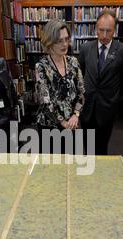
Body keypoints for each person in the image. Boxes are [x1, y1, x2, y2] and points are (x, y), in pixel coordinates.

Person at [79, 10, 123, 155]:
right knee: (87, 147)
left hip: (108, 108)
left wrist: (115, 100)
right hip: (87, 107)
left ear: (114, 30)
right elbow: (81, 75)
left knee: (102, 148)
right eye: (101, 30)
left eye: (108, 31)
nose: (104, 35)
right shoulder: (85, 49)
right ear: (95, 29)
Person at [36, 19, 85, 154]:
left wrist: (76, 115)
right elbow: (46, 101)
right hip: (50, 126)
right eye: (59, 41)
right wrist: (63, 122)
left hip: (72, 124)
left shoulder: (73, 62)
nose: (65, 44)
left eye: (67, 39)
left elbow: (81, 92)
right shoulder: (41, 66)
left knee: (72, 164)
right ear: (50, 42)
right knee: (53, 168)